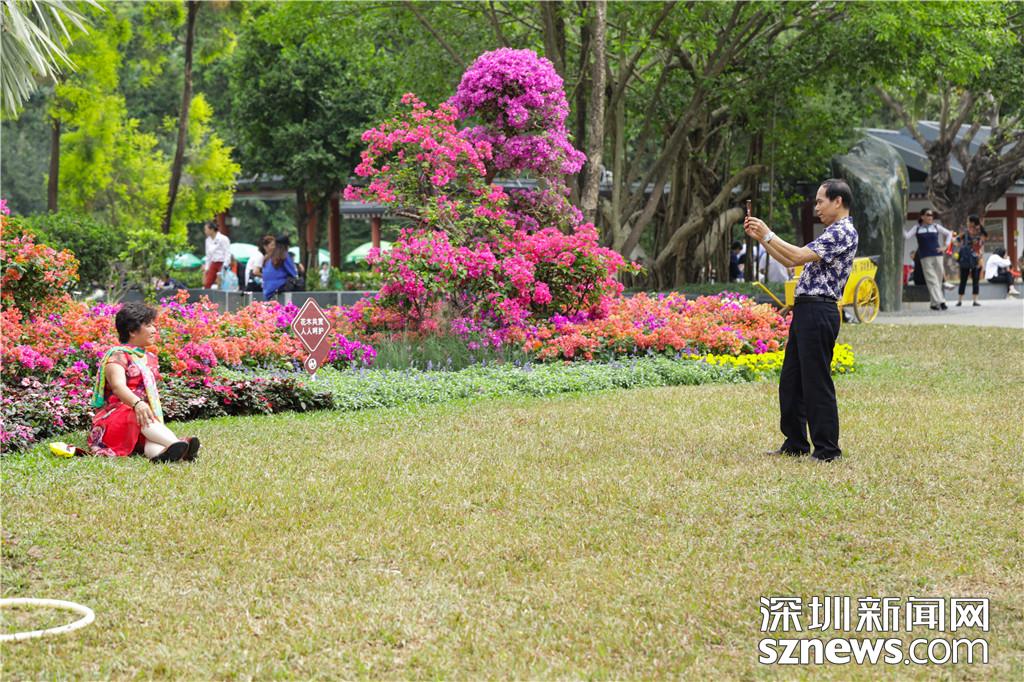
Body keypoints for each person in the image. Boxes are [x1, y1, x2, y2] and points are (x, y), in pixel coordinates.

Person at [744, 178, 858, 463]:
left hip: (819, 310)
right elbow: (790, 261)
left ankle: (827, 450)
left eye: (820, 201)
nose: (816, 207)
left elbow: (797, 255)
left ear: (838, 201)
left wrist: (768, 233)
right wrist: (761, 239)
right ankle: (795, 443)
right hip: (807, 309)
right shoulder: (830, 232)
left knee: (816, 381)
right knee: (792, 381)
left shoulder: (842, 231)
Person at [88, 302, 199, 462]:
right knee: (139, 415)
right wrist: (138, 404)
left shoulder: (148, 358)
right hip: (116, 418)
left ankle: (164, 455)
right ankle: (179, 445)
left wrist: (141, 407)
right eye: (148, 325)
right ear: (132, 331)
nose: (154, 330)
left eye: (153, 325)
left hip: (140, 418)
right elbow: (118, 387)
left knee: (149, 435)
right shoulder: (117, 355)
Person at [903, 209, 952, 310]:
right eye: (928, 215)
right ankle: (941, 301)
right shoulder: (917, 228)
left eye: (932, 215)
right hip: (925, 257)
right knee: (931, 280)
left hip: (938, 255)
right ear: (922, 217)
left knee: (938, 280)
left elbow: (949, 233)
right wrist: (900, 226)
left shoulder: (936, 227)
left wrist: (945, 247)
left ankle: (934, 304)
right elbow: (907, 236)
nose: (930, 217)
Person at [955, 215, 986, 307]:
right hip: (967, 258)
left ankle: (972, 300)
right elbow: (956, 240)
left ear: (972, 222)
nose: (967, 223)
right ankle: (961, 300)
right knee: (964, 280)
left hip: (975, 259)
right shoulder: (966, 232)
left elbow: (981, 244)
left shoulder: (979, 233)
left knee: (974, 280)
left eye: (968, 221)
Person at [262, 235, 302, 300]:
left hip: (266, 289)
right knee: (299, 282)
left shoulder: (268, 257)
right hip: (278, 287)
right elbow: (293, 273)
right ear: (286, 246)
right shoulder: (284, 256)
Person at [203, 222, 231, 289]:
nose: (205, 231)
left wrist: (225, 265)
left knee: (221, 283)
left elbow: (227, 252)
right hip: (213, 263)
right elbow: (208, 255)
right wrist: (207, 268)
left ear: (212, 230)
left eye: (206, 229)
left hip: (222, 263)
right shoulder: (207, 240)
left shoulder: (223, 238)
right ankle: (206, 295)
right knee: (208, 282)